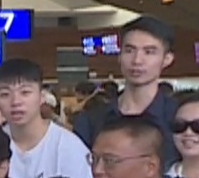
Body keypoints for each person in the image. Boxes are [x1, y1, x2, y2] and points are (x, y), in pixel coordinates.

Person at [74, 16, 180, 165]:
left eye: (149, 52)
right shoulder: (91, 120)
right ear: (120, 55)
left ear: (167, 59)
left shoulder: (178, 118)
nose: (137, 60)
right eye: (129, 50)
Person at [0, 59, 98, 178]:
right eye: (5, 94)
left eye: (25, 92)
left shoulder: (69, 147)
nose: (15, 102)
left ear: (41, 97)